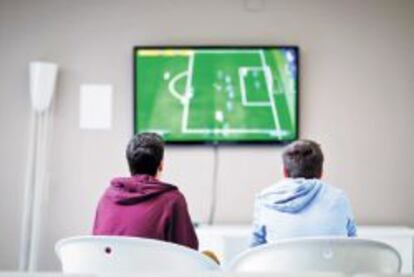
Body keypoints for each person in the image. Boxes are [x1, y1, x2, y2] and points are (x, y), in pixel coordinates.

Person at [93, 132, 198, 250]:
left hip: (110, 267)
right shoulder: (173, 200)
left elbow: (97, 246)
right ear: (161, 165)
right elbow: (189, 252)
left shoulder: (107, 196)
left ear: (130, 164)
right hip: (152, 268)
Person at [250, 139, 357, 247]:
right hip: (331, 264)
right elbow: (353, 246)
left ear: (285, 172)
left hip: (280, 264)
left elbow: (254, 253)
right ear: (321, 172)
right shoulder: (339, 198)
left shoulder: (265, 200)